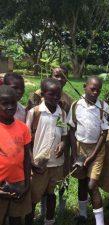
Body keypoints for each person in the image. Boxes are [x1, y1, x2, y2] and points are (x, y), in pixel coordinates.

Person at [25, 78, 67, 225]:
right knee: (33, 197)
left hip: (56, 163)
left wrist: (62, 142)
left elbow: (63, 134)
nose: (56, 97)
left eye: (58, 94)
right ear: (42, 94)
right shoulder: (34, 113)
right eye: (52, 94)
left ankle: (49, 220)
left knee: (52, 194)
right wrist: (31, 161)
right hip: (39, 164)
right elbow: (27, 140)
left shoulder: (61, 114)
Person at [68, 75, 109, 225]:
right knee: (82, 182)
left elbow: (104, 133)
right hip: (80, 147)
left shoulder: (103, 107)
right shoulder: (76, 106)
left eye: (98, 90)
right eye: (92, 89)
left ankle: (100, 221)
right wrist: (74, 153)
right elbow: (72, 129)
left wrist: (92, 155)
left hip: (97, 149)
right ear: (85, 86)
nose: (95, 92)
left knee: (92, 185)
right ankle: (83, 215)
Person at [0, 85, 31, 225]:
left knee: (16, 218)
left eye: (13, 103)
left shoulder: (23, 128)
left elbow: (27, 158)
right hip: (0, 184)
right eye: (4, 103)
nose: (10, 107)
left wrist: (27, 184)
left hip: (19, 183)